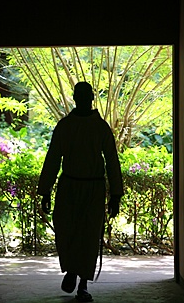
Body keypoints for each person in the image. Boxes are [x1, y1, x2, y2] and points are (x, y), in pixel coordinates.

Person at [37, 81, 123, 302]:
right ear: (75, 98)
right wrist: (45, 190)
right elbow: (53, 158)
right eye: (80, 95)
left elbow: (112, 162)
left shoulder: (100, 127)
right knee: (66, 230)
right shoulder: (65, 126)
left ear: (91, 97)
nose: (83, 99)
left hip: (93, 188)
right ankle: (72, 270)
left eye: (86, 95)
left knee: (89, 235)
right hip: (69, 186)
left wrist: (115, 195)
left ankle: (83, 283)